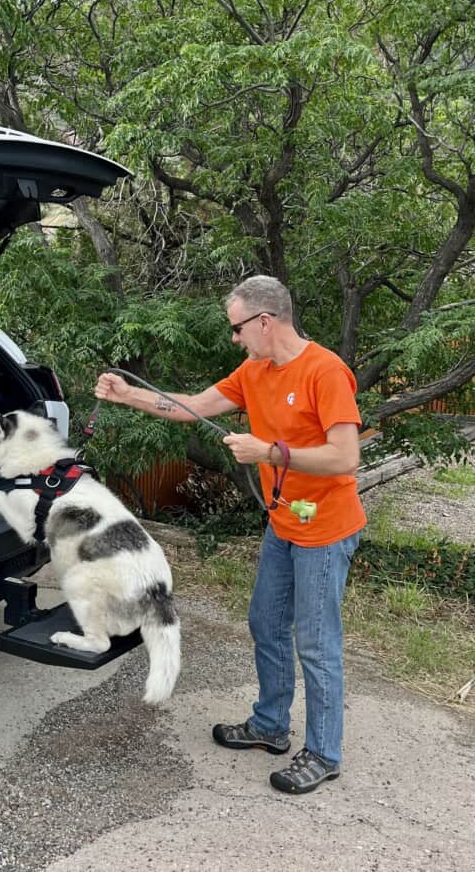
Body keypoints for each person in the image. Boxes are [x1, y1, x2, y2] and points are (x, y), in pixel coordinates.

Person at [94, 275, 366, 795]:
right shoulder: (255, 370)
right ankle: (269, 726)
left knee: (315, 641)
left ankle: (325, 753)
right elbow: (192, 407)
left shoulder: (325, 371)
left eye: (239, 328)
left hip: (325, 530)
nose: (235, 339)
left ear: (265, 321)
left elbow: (345, 456)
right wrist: (130, 395)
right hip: (284, 521)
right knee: (265, 622)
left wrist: (270, 453)